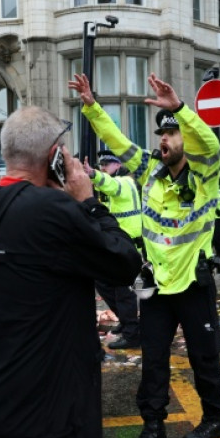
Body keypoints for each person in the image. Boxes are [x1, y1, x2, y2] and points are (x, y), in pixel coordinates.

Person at [0, 106, 140, 438]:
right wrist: (88, 202)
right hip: (52, 416)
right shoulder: (53, 212)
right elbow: (123, 262)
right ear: (54, 156)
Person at [71, 72, 220, 438]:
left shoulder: (203, 173)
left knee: (203, 357)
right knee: (153, 360)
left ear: (185, 139)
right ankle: (153, 428)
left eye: (173, 133)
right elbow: (117, 141)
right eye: (162, 133)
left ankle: (213, 419)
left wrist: (179, 109)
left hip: (193, 281)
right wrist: (92, 106)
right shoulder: (148, 171)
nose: (165, 138)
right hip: (157, 284)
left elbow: (208, 144)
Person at [83, 149, 142, 349]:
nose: (103, 168)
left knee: (123, 291)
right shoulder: (113, 185)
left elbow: (111, 185)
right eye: (100, 166)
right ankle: (127, 322)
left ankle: (133, 334)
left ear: (118, 165)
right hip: (116, 243)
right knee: (102, 281)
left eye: (106, 165)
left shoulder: (124, 182)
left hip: (127, 245)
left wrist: (92, 174)